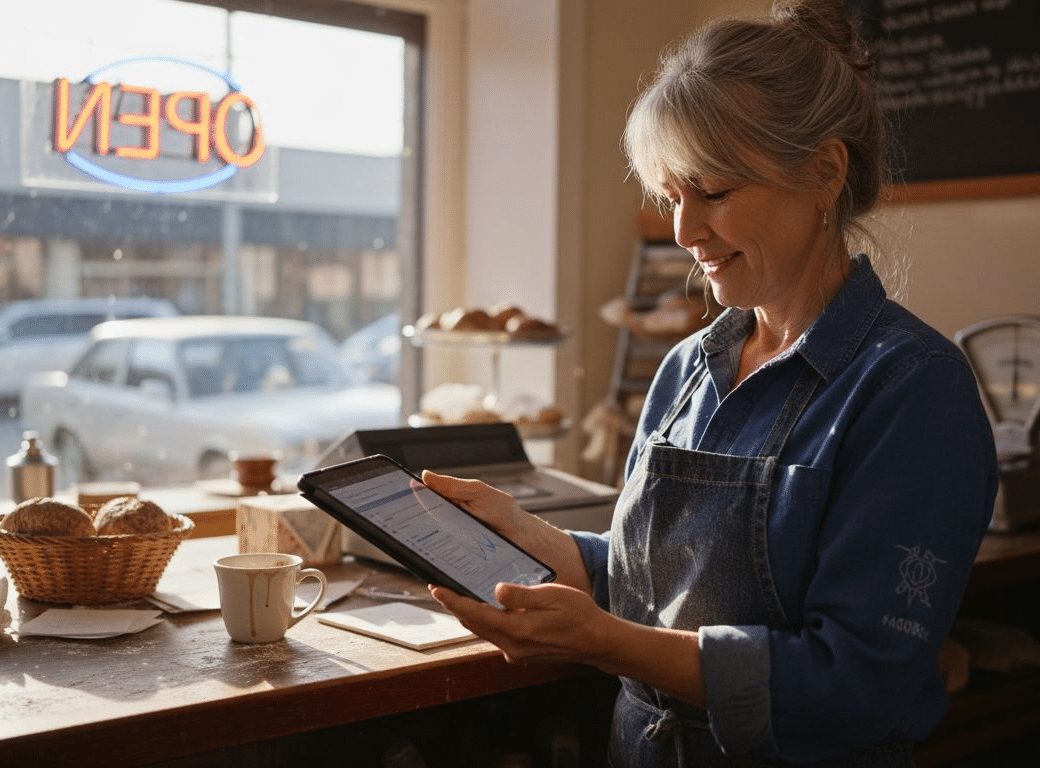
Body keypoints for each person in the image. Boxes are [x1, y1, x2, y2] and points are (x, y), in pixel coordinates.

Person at [426, 0, 998, 765]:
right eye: (672, 197)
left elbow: (857, 682)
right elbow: (661, 589)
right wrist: (551, 547)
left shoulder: (913, 390)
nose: (684, 232)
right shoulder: (687, 369)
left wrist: (608, 645)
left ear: (825, 172)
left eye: (715, 193)